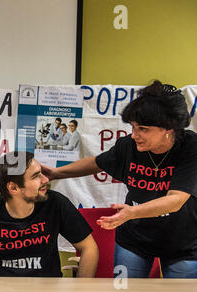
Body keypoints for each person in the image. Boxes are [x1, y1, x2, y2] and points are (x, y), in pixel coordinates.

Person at [42, 80, 197, 278]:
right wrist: (56, 173)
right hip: (135, 240)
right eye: (133, 127)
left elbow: (176, 200)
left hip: (182, 244)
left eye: (143, 129)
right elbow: (97, 162)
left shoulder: (191, 148)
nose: (134, 135)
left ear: (168, 128)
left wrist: (132, 212)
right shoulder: (129, 147)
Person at [0, 151, 98, 277]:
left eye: (42, 173)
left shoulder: (56, 204)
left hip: (45, 289)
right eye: (36, 176)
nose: (46, 179)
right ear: (14, 188)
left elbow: (89, 248)